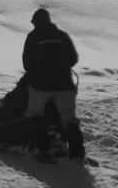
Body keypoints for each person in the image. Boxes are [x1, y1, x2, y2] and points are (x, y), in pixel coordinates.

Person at [22, 8, 85, 162]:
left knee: (34, 116)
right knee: (69, 119)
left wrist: (39, 71)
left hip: (41, 86)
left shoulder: (33, 36)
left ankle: (42, 150)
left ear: (36, 22)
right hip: (65, 85)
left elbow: (27, 63)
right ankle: (77, 154)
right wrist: (60, 68)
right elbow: (73, 58)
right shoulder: (62, 35)